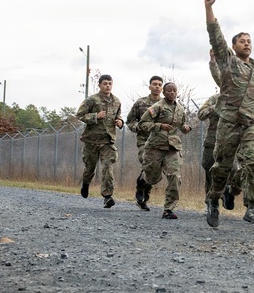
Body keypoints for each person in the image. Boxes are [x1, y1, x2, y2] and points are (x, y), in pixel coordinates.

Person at [204, 0, 254, 228]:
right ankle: (213, 199)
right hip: (230, 121)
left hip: (253, 123)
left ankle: (252, 207)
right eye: (242, 40)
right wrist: (209, 9)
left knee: (253, 160)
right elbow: (216, 37)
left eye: (249, 40)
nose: (246, 43)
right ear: (234, 46)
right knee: (222, 166)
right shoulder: (229, 62)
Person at [137, 82, 192, 219]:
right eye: (169, 90)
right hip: (155, 146)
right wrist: (159, 126)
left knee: (174, 175)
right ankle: (143, 181)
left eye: (174, 90)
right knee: (153, 178)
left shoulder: (180, 109)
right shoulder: (157, 107)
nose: (172, 93)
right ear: (164, 92)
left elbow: (182, 124)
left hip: (172, 147)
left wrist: (185, 128)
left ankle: (168, 209)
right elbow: (142, 124)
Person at [76, 74, 124, 208]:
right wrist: (95, 116)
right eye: (105, 83)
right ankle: (85, 183)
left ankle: (107, 196)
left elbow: (118, 115)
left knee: (108, 166)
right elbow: (79, 115)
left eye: (110, 83)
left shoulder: (116, 101)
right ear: (99, 85)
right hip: (91, 141)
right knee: (90, 168)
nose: (108, 86)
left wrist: (120, 122)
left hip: (107, 141)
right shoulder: (92, 100)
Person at [126, 75, 164, 210]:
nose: (157, 86)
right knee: (147, 163)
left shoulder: (166, 104)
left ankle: (143, 189)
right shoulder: (140, 103)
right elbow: (130, 121)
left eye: (160, 84)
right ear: (150, 86)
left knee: (155, 171)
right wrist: (138, 127)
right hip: (145, 141)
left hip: (161, 142)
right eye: (155, 84)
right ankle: (141, 192)